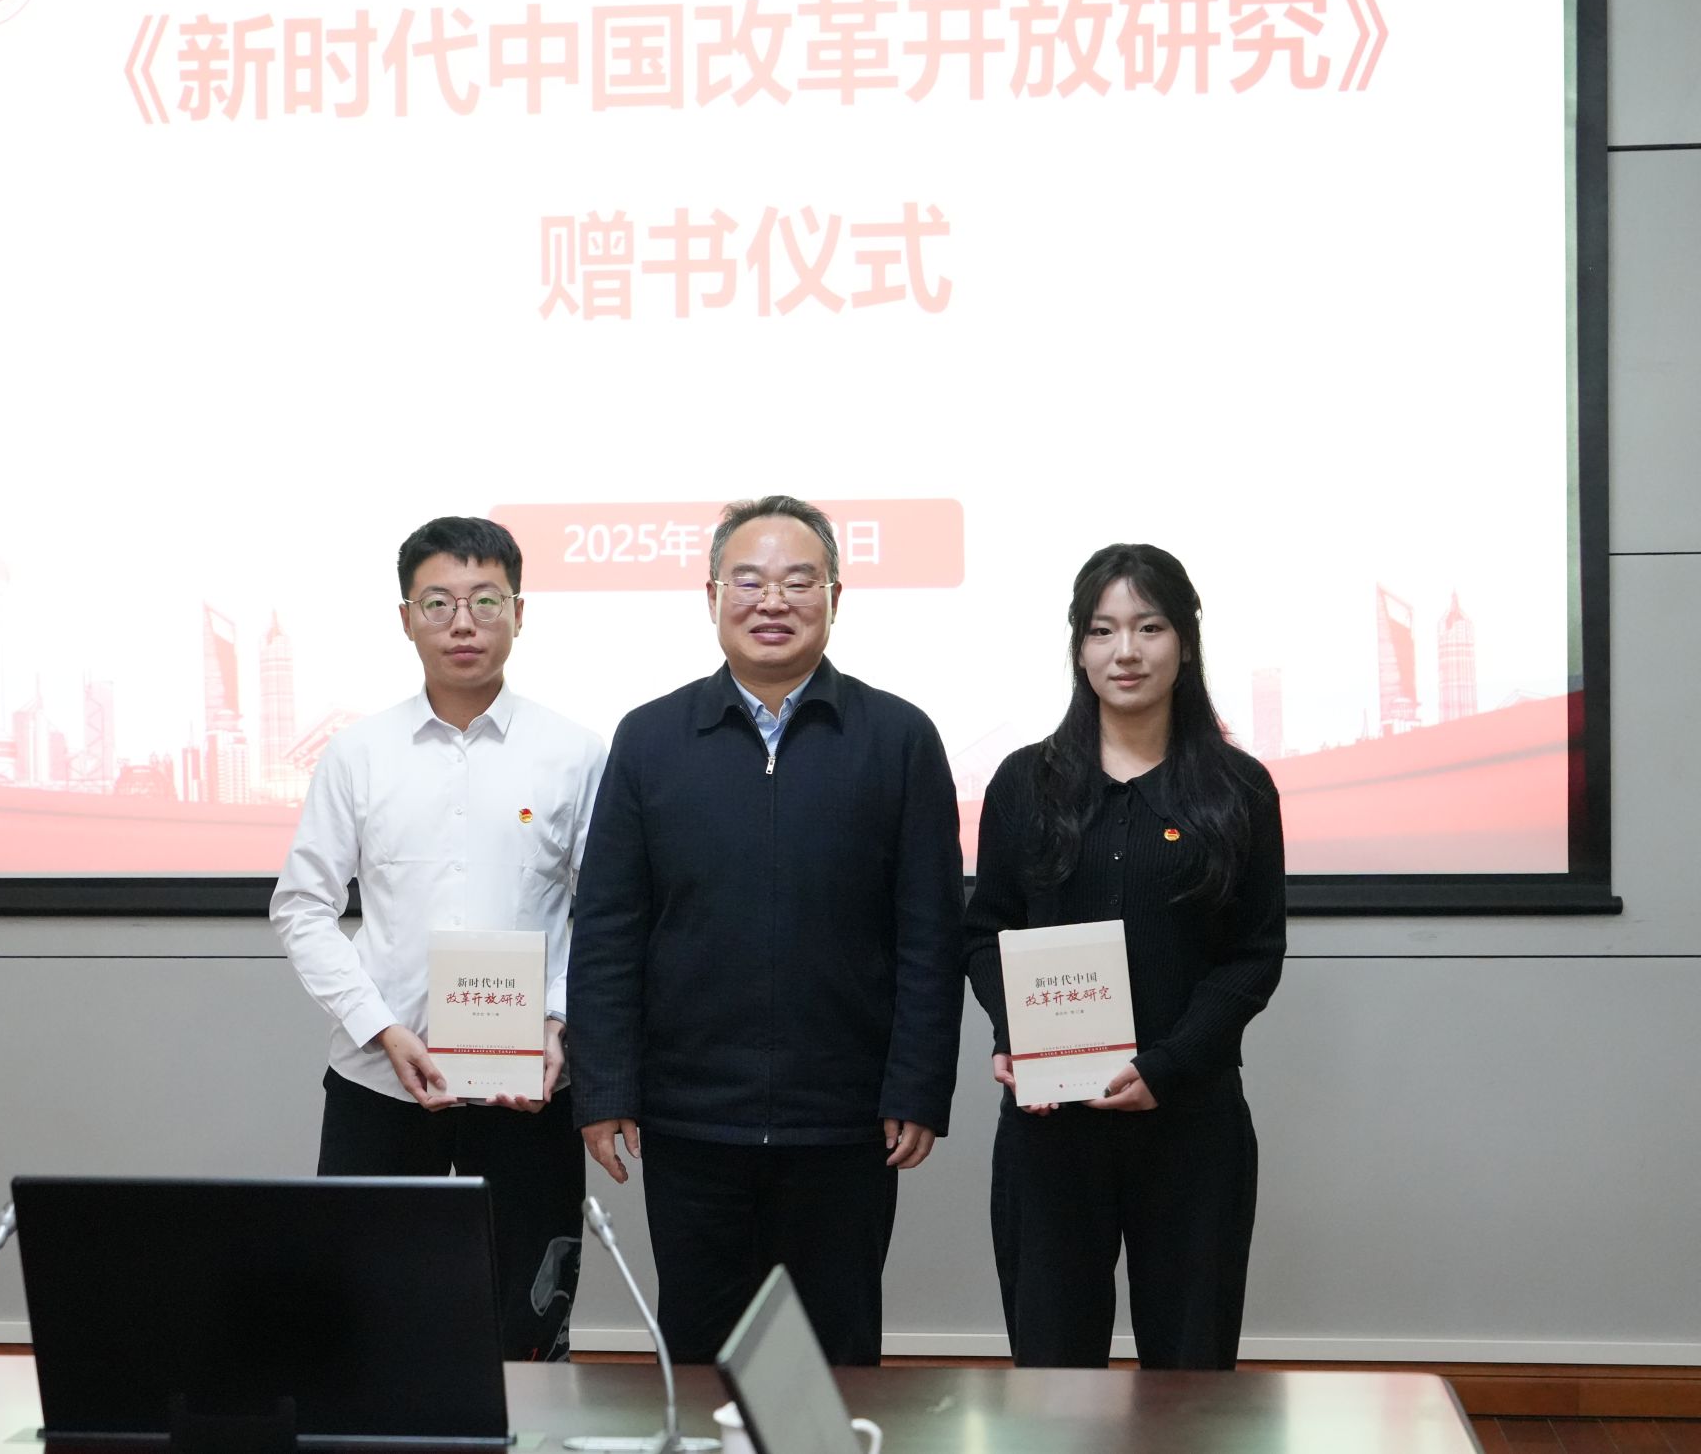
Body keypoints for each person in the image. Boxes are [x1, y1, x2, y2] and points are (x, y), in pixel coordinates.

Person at [567, 494, 965, 1367]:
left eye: (798, 581)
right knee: (703, 1354)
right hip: (691, 1122)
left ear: (835, 596)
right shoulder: (650, 739)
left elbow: (931, 936)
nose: (772, 600)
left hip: (844, 1125)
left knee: (835, 1359)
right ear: (711, 595)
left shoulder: (899, 739)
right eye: (747, 580)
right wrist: (604, 1087)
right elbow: (608, 931)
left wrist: (918, 1085)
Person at [271, 516, 605, 1362]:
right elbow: (302, 906)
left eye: (486, 600)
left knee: (527, 1326)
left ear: (519, 613)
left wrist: (558, 1022)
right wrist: (378, 1026)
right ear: (406, 618)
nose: (464, 622)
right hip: (382, 1079)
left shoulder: (574, 754)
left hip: (527, 1088)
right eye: (439, 603)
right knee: (363, 1319)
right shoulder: (358, 754)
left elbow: (603, 912)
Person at [965, 542, 1285, 1370]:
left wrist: (1166, 1067)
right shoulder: (1024, 784)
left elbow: (1254, 955)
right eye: (1103, 630)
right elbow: (986, 929)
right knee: (1052, 1378)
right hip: (1050, 1130)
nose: (1127, 651)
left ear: (1185, 641)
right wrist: (1015, 1034)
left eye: (1150, 627)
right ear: (1079, 648)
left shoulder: (1239, 788)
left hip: (1191, 1125)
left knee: (1190, 1377)